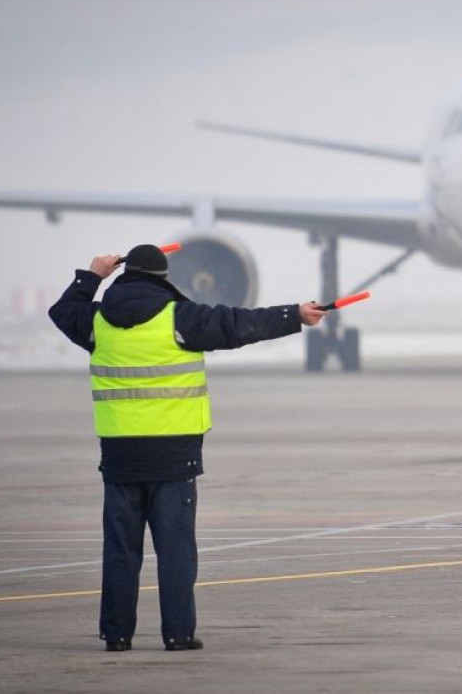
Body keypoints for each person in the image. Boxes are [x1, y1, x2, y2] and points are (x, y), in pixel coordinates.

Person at [48, 244, 326, 652]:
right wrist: (295, 314)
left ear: (126, 276)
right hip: (174, 458)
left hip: (121, 458)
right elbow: (240, 324)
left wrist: (92, 275)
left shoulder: (97, 323)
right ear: (163, 278)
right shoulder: (181, 318)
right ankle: (178, 635)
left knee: (121, 552)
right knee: (176, 553)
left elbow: (62, 312)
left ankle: (117, 635)